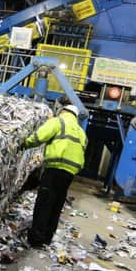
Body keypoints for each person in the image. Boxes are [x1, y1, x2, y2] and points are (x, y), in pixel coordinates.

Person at [21, 104, 87, 248]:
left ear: (62, 111)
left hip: (55, 167)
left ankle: (36, 239)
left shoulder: (59, 121)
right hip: (70, 172)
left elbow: (40, 136)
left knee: (44, 202)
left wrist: (25, 144)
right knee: (57, 204)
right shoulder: (81, 131)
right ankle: (47, 238)